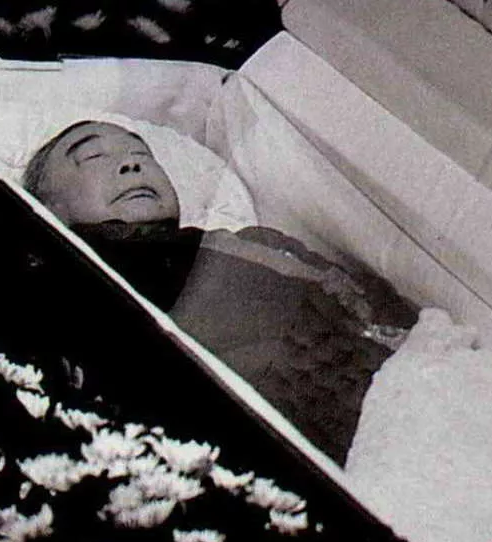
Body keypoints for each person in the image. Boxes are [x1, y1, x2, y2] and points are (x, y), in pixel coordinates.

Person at [23, 121, 418, 464]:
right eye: (92, 156)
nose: (131, 164)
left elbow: (366, 304)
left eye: (142, 154)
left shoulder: (251, 243)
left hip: (381, 396)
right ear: (47, 207)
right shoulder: (60, 278)